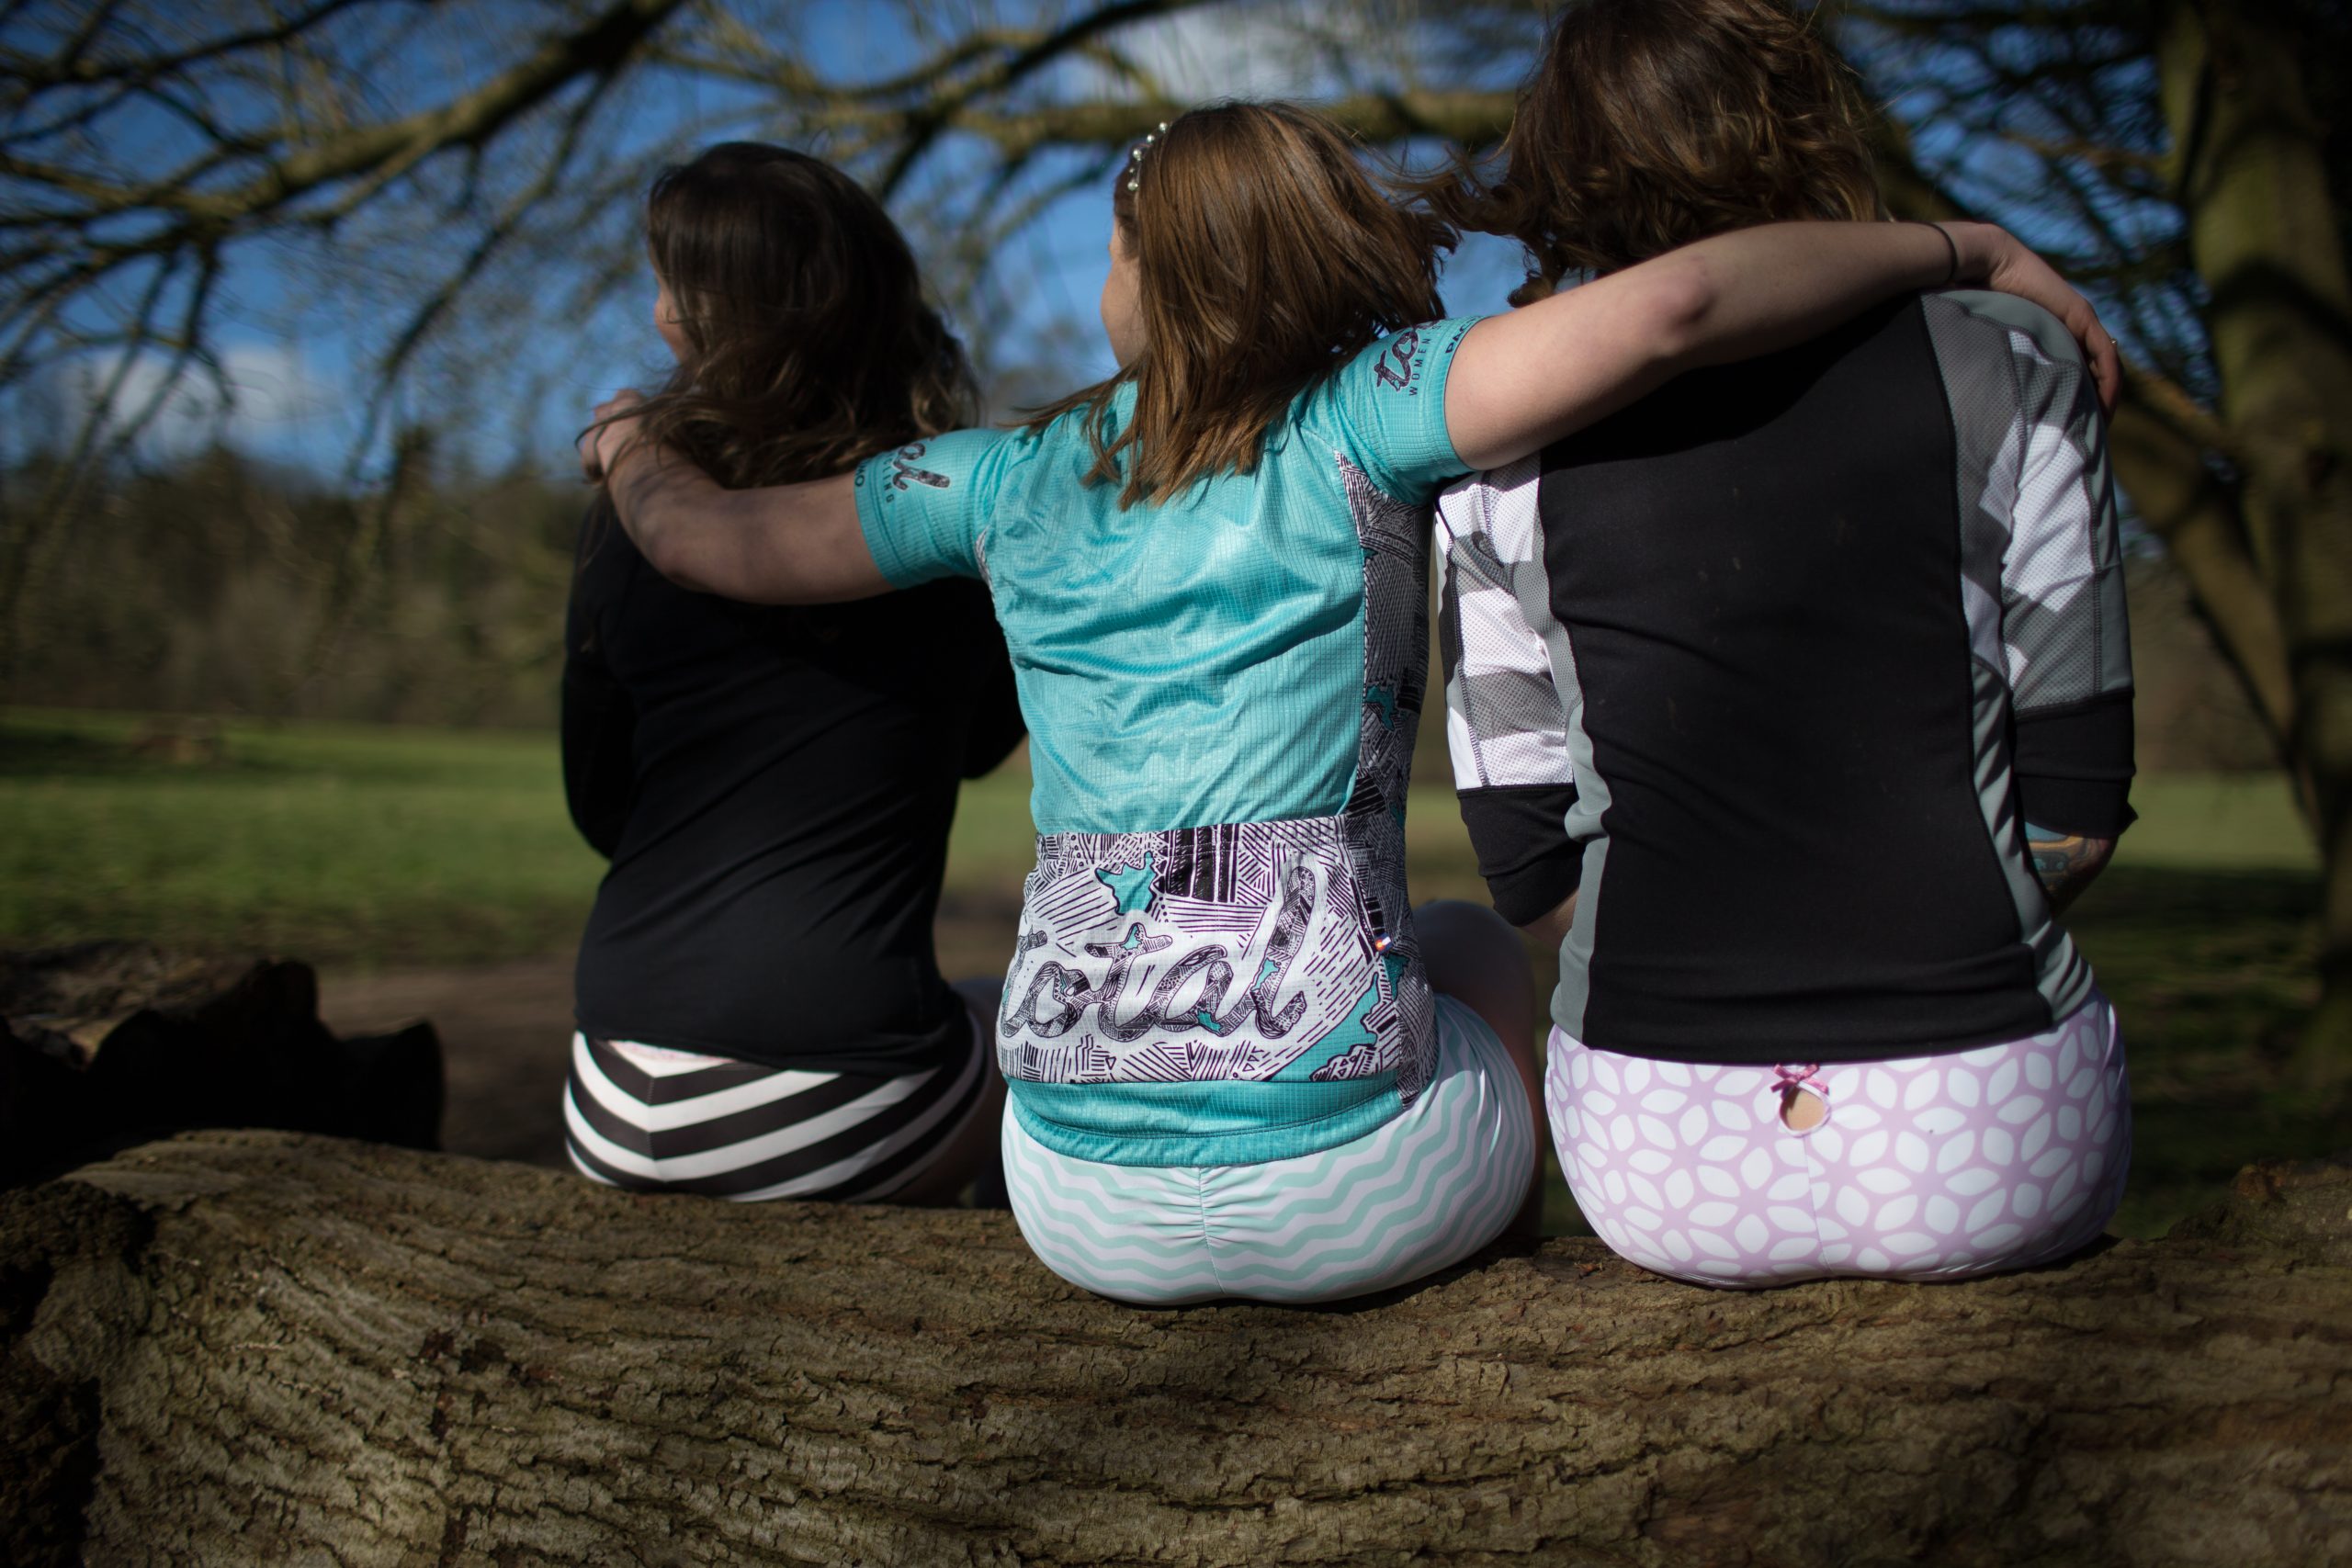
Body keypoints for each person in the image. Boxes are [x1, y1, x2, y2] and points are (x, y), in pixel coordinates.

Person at [581, 102, 2118, 1305]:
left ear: (1150, 273)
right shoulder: (1374, 412)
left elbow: (711, 542)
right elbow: (1682, 306)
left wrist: (634, 448)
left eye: (1113, 254)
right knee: (1468, 944)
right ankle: (1490, 1311)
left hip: (1073, 1205)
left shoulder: (994, 481)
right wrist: (1957, 248)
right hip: (1359, 1194)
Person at [1424, 0, 2134, 1286]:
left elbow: (1525, 862)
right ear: (1807, 119)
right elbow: (2074, 810)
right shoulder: (2012, 360)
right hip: (1995, 1135)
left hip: (1655, 1159)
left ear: (1562, 168)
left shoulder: (1491, 449)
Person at [560, 143, 1023, 1205]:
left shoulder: (624, 530)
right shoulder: (940, 526)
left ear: (725, 319)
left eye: (676, 289)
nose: (659, 316)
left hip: (610, 1091)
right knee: (1027, 1027)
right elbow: (980, 745)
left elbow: (601, 809)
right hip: (838, 1100)